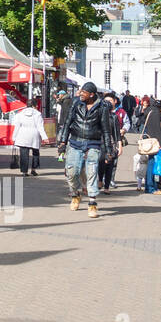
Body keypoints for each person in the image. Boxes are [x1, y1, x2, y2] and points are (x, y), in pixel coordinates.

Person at [56, 81, 115, 219]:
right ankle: (76, 194)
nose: (81, 94)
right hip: (75, 142)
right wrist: (62, 142)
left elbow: (106, 130)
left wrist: (108, 150)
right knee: (72, 172)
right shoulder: (76, 103)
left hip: (93, 144)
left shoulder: (102, 108)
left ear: (92, 95)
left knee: (92, 172)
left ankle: (92, 204)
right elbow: (67, 123)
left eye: (84, 92)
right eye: (81, 91)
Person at [137, 94, 161, 193]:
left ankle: (149, 186)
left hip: (149, 141)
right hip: (154, 142)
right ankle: (151, 187)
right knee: (152, 164)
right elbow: (157, 130)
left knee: (150, 163)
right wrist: (160, 144)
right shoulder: (156, 114)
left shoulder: (149, 112)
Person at [11, 99, 46, 176]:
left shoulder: (20, 114)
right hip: (34, 135)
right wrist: (44, 137)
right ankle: (33, 169)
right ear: (34, 105)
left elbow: (17, 126)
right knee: (36, 153)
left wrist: (14, 137)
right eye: (36, 105)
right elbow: (40, 127)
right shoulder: (38, 114)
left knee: (24, 154)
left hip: (22, 135)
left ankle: (24, 172)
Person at [97, 92, 124, 192]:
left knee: (110, 165)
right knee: (101, 162)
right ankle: (100, 179)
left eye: (110, 101)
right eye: (106, 101)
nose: (108, 103)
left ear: (114, 102)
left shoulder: (114, 117)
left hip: (111, 143)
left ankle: (107, 186)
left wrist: (119, 145)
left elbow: (117, 133)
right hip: (100, 143)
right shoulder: (98, 115)